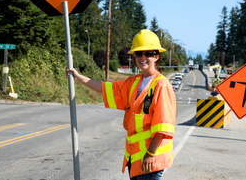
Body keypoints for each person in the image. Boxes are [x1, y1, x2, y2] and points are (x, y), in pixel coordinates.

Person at [66, 29, 176, 180]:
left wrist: (150, 154)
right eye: (139, 53)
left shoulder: (162, 85)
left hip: (151, 161)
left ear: (156, 56)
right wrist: (79, 78)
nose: (143, 57)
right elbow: (106, 88)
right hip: (135, 160)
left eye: (148, 53)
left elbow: (163, 126)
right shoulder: (133, 82)